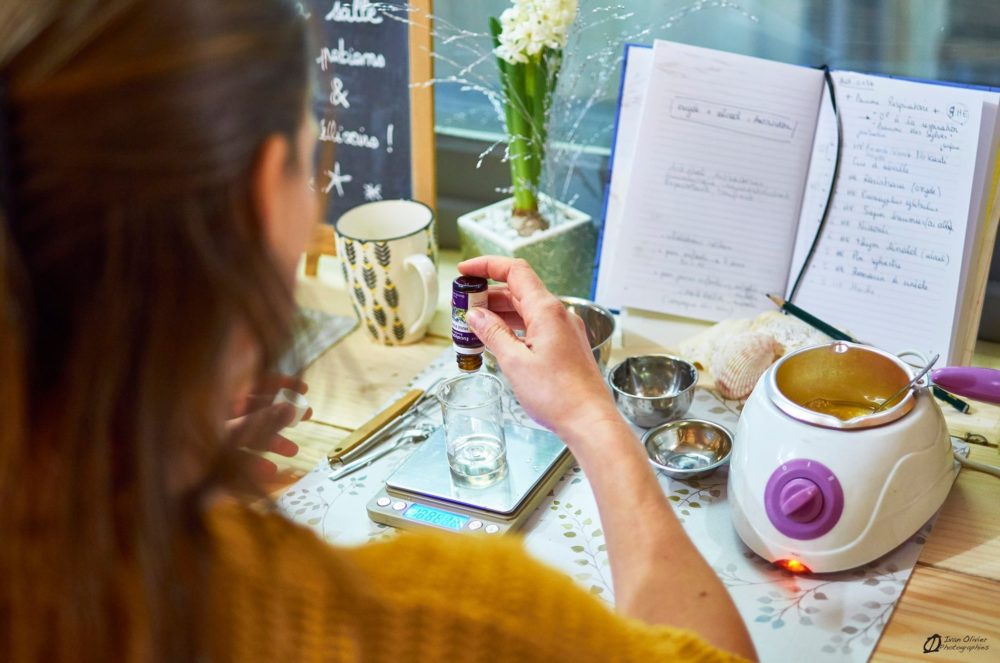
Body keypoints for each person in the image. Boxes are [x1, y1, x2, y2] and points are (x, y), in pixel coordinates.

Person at [0, 1, 756, 661]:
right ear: (264, 197)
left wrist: (144, 473)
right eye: (310, 160)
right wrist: (593, 417)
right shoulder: (443, 619)